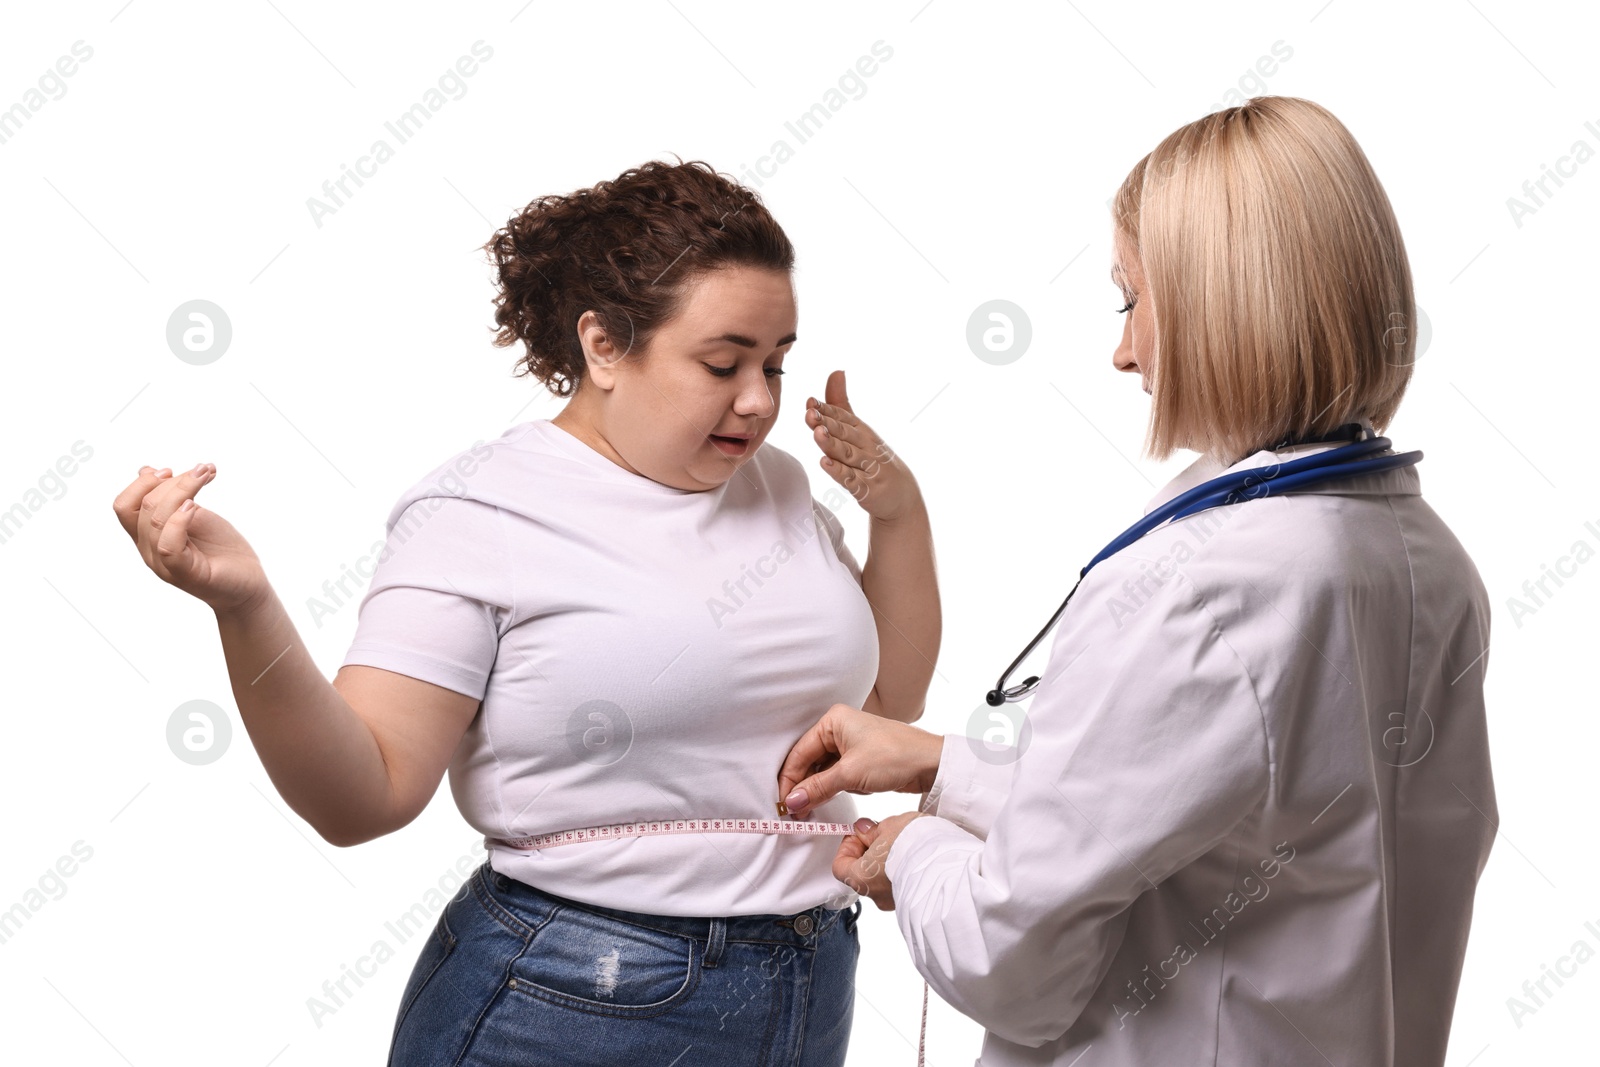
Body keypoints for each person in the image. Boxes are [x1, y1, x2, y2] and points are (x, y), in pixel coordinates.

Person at [111, 159, 942, 1066]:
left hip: (808, 984)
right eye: (723, 362)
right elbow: (365, 794)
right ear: (604, 347)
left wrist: (897, 512)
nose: (759, 400)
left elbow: (887, 704)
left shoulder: (776, 488)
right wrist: (247, 607)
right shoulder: (483, 508)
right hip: (565, 1004)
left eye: (776, 363)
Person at [777, 96, 1496, 1067]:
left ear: (1224, 304)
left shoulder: (1210, 587)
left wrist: (916, 849)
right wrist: (941, 764)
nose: (1123, 352)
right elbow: (1217, 822)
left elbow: (1009, 957)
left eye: (1130, 300)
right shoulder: (1419, 553)